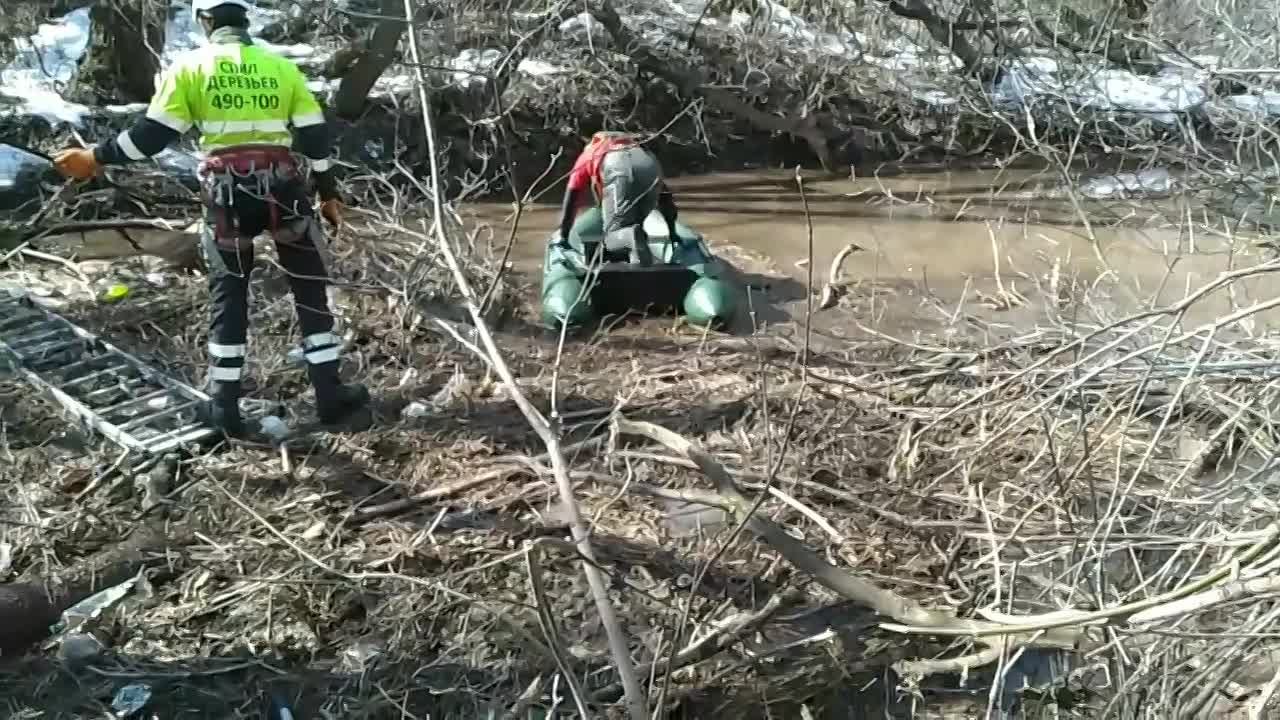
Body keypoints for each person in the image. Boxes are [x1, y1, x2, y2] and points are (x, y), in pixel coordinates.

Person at [51, 0, 369, 437]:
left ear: (205, 20)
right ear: (244, 19)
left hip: (227, 197)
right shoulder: (281, 68)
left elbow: (151, 137)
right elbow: (314, 136)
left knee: (229, 298)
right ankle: (330, 396)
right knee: (309, 289)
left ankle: (224, 409)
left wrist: (95, 157)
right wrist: (328, 192)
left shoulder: (190, 68)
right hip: (283, 190)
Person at [555, 131, 681, 267]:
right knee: (637, 223)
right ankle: (638, 261)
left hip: (617, 165)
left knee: (612, 236)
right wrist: (672, 232)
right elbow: (664, 196)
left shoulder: (590, 152)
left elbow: (572, 198)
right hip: (650, 164)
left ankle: (630, 236)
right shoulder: (635, 146)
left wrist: (563, 236)